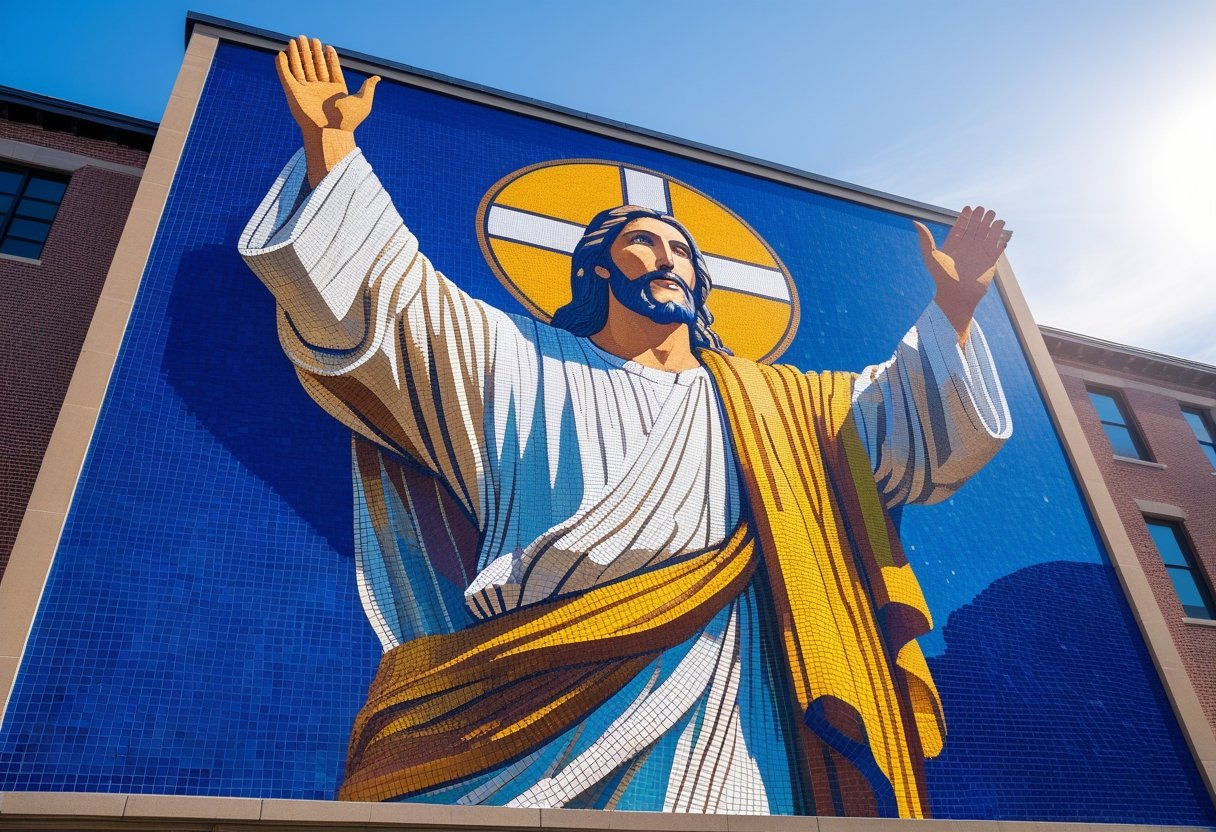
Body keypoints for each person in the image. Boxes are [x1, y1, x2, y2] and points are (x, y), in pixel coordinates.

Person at [240, 37, 1013, 818]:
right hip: (532, 695)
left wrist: (954, 311)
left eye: (681, 248)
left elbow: (905, 425)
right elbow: (395, 306)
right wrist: (331, 148)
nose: (668, 255)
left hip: (737, 702)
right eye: (644, 241)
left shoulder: (779, 404)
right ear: (598, 268)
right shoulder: (519, 357)